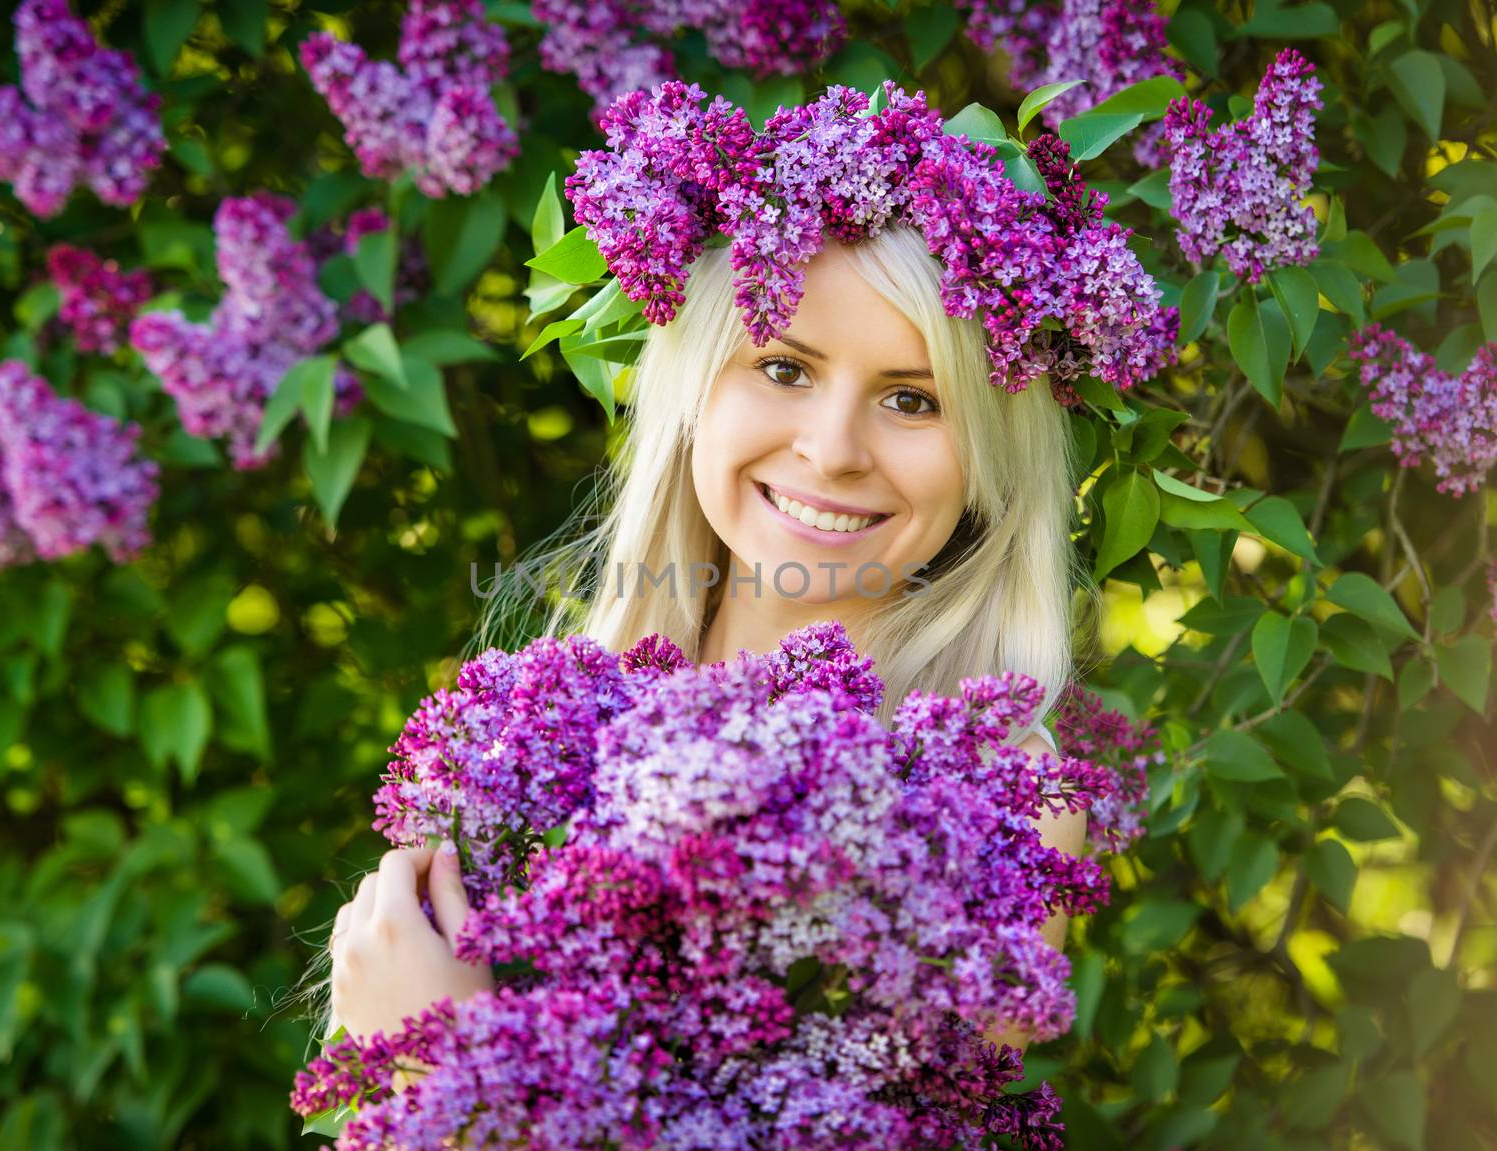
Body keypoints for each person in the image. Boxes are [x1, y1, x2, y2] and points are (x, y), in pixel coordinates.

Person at [317, 78, 1174, 1094]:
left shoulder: (1005, 809)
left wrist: (445, 1074)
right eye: (783, 368)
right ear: (694, 385)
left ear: (990, 454)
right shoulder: (532, 735)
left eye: (912, 398)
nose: (830, 450)